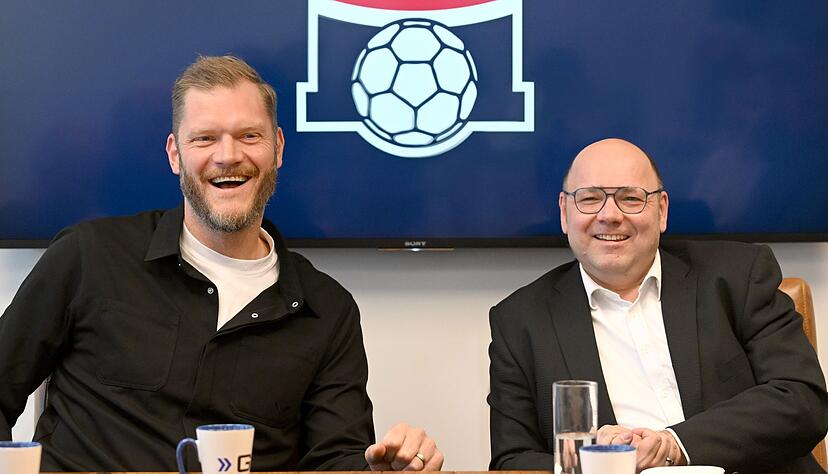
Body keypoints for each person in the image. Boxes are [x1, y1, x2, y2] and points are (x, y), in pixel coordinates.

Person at [0, 55, 443, 472]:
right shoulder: (87, 256)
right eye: (205, 138)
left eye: (249, 135)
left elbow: (333, 461)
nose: (228, 155)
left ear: (278, 148)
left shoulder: (328, 309)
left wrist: (382, 467)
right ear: (175, 154)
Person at [488, 138, 828, 473]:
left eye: (630, 198)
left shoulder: (737, 276)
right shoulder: (520, 321)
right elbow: (513, 460)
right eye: (589, 199)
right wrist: (596, 463)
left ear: (661, 210)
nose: (610, 215)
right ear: (564, 213)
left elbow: (802, 400)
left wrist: (673, 445)